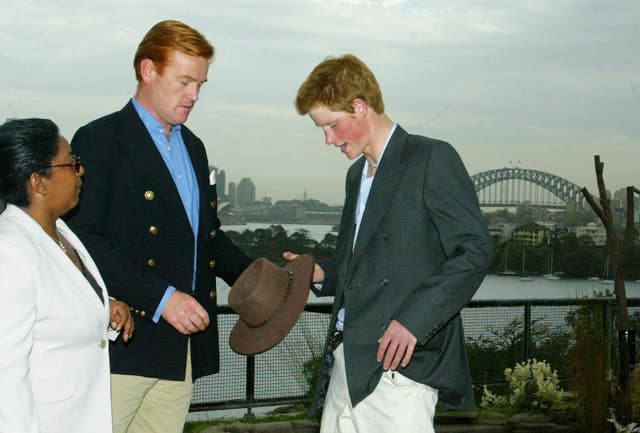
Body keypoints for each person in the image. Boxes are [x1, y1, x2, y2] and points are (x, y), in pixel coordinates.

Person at [284, 54, 493, 433]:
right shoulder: (355, 175)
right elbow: (360, 264)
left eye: (331, 125)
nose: (327, 139)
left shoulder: (430, 157)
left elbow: (475, 250)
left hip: (400, 373)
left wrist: (414, 321)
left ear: (359, 106)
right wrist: (321, 273)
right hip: (348, 361)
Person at [64, 20, 253, 433]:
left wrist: (262, 277)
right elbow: (81, 241)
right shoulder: (101, 139)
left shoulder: (194, 146)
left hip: (178, 351)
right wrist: (162, 298)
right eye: (184, 81)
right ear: (148, 70)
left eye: (201, 85)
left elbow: (207, 238)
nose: (193, 96)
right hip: (121, 347)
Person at [0, 118, 134, 433]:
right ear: (39, 182)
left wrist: (104, 305)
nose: (81, 171)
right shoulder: (10, 251)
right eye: (71, 163)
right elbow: (4, 374)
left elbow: (53, 300)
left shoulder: (61, 233)